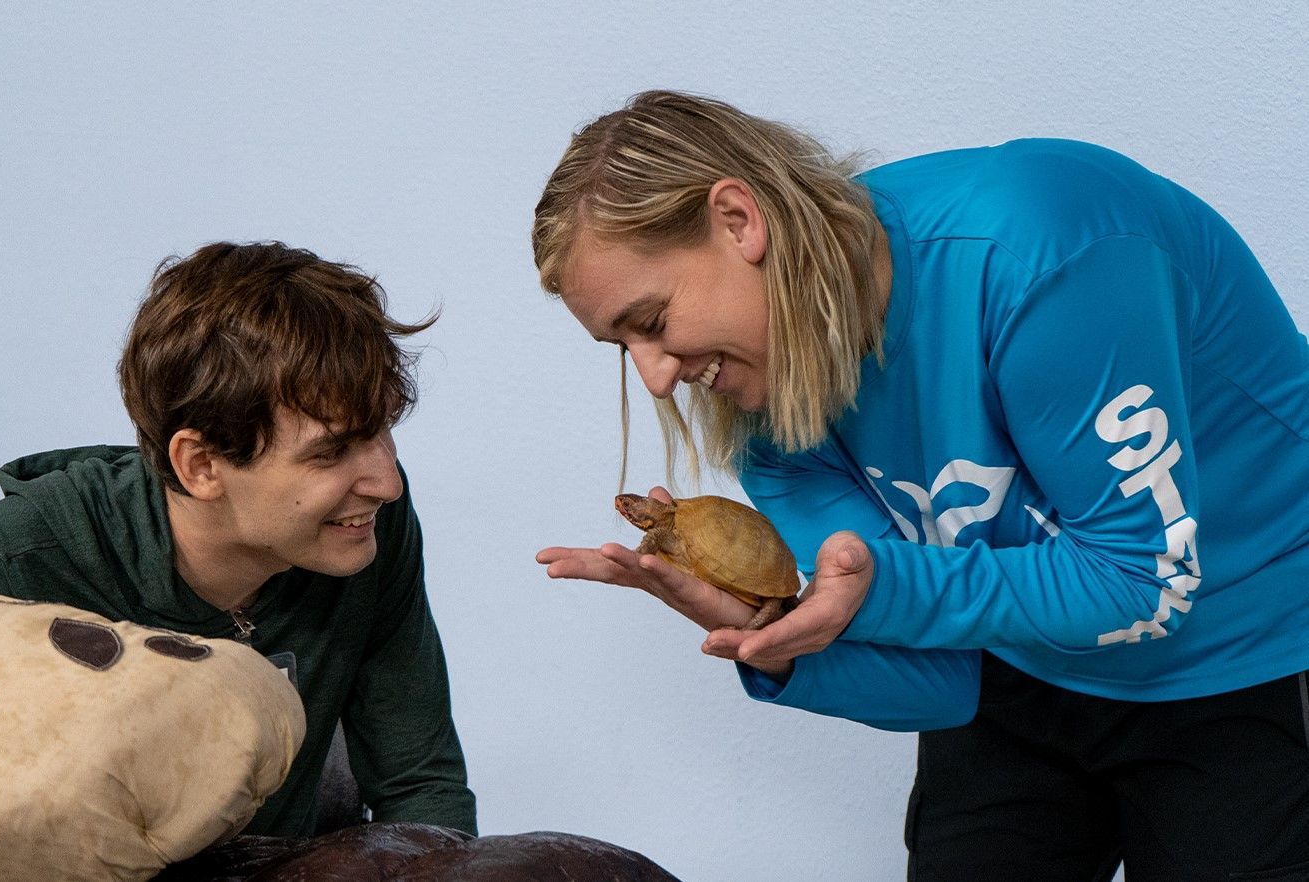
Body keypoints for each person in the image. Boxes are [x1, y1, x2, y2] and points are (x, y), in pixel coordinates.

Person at [531, 90, 1309, 880]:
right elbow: (944, 682)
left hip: (1243, 652)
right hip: (1023, 663)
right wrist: (780, 641)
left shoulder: (1043, 256)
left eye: (654, 321)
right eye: (619, 345)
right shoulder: (771, 411)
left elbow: (1138, 583)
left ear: (739, 221)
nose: (656, 379)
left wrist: (882, 588)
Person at [0, 242, 478, 838]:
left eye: (382, 432)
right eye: (331, 451)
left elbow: (419, 786)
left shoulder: (361, 522)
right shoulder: (9, 567)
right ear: (201, 465)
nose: (386, 482)